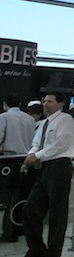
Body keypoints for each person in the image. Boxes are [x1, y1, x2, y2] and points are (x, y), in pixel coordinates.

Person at [14, 92, 74, 257]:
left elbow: (62, 143)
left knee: (57, 211)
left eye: (50, 101)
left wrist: (38, 155)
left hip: (59, 166)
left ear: (60, 103)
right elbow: (36, 143)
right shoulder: (44, 123)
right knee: (30, 209)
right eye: (44, 101)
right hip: (44, 168)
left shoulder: (65, 120)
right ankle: (36, 249)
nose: (45, 104)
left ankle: (53, 252)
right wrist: (31, 156)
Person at [1, 93, 37, 243]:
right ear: (21, 103)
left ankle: (8, 233)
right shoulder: (29, 119)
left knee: (6, 198)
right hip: (26, 160)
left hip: (8, 161)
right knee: (22, 196)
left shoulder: (4, 117)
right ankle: (19, 229)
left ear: (5, 104)